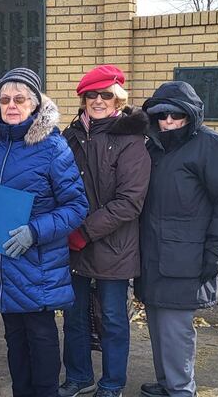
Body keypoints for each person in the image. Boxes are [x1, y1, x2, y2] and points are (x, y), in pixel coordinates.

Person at [0, 68, 88, 397]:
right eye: (5, 99)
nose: (12, 105)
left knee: (41, 338)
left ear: (34, 104)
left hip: (37, 262)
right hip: (0, 260)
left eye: (20, 99)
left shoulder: (53, 147)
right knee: (14, 338)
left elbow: (76, 206)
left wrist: (34, 231)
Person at [136, 81, 218, 397]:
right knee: (157, 325)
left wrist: (214, 250)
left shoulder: (210, 146)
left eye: (176, 116)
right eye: (161, 116)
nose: (168, 122)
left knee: (175, 330)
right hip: (153, 255)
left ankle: (181, 390)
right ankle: (166, 382)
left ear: (190, 115)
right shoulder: (154, 147)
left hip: (187, 258)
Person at [59, 65, 151, 397]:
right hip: (73, 244)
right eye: (91, 95)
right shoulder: (69, 137)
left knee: (112, 320)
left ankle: (111, 384)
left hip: (114, 245)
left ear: (118, 99)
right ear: (83, 99)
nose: (98, 100)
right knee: (73, 318)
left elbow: (129, 201)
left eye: (106, 95)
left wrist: (83, 231)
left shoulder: (130, 140)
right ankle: (78, 376)